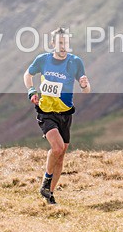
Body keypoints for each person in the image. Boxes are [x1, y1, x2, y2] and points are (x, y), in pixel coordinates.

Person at [23, 27, 90, 204]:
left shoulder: (76, 62)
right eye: (60, 43)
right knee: (58, 147)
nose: (63, 46)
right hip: (46, 111)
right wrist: (31, 91)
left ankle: (49, 193)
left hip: (65, 113)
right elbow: (28, 75)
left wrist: (84, 85)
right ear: (53, 44)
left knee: (61, 154)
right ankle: (46, 180)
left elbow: (86, 88)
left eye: (66, 43)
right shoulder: (43, 59)